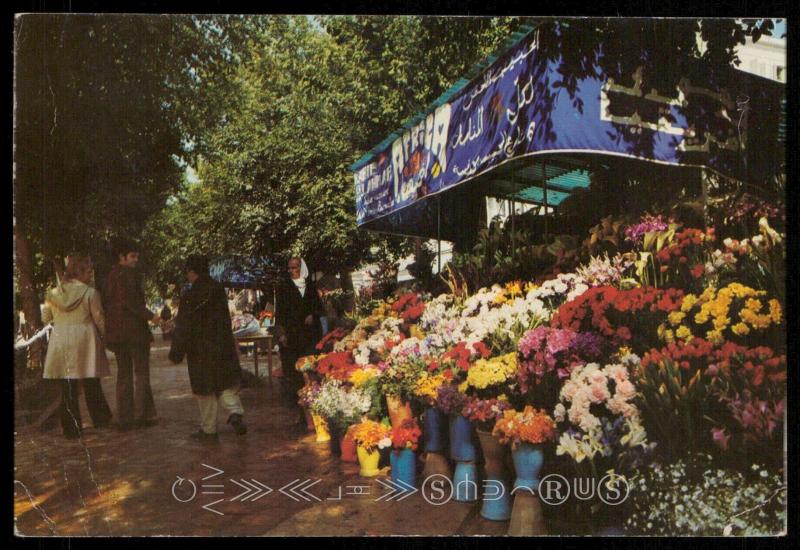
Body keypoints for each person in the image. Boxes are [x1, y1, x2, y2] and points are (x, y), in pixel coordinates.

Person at [168, 255, 246, 441]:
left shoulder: (189, 296)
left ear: (191, 272)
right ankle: (234, 412)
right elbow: (226, 320)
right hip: (222, 345)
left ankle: (209, 430)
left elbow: (183, 327)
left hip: (199, 350)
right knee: (225, 384)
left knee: (205, 391)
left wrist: (176, 352)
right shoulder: (219, 290)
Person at [42, 254, 113, 439]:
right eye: (88, 271)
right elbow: (99, 318)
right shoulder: (90, 293)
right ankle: (101, 418)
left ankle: (71, 428)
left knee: (68, 385)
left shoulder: (52, 294)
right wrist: (106, 336)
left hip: (61, 338)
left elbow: (45, 319)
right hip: (85, 338)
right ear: (79, 272)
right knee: (91, 379)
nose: (90, 275)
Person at [104, 239, 160, 431]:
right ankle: (142, 415)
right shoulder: (130, 274)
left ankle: (124, 416)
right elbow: (132, 303)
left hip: (118, 334)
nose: (136, 259)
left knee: (124, 374)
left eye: (137, 256)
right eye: (133, 256)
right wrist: (154, 317)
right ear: (122, 257)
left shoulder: (111, 275)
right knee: (141, 373)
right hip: (135, 332)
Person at [273, 257, 323, 424]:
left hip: (310, 336)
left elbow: (319, 308)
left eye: (295, 268)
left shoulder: (310, 288)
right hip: (292, 337)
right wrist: (281, 334)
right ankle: (299, 412)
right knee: (294, 375)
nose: (292, 271)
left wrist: (312, 315)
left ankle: (314, 411)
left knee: (309, 372)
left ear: (301, 269)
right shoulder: (284, 288)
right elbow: (279, 314)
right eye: (290, 268)